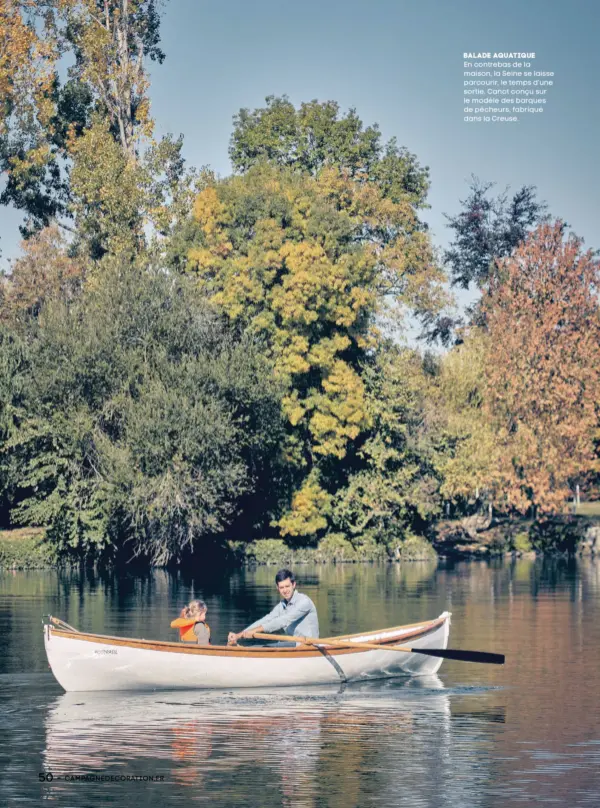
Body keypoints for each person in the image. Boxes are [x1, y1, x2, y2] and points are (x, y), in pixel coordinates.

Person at [227, 569, 318, 645]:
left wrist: (255, 631)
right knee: (264, 646)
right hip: (294, 643)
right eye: (282, 587)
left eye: (287, 586)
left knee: (264, 648)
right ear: (277, 588)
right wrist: (239, 635)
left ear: (294, 585)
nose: (285, 590)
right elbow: (267, 619)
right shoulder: (282, 605)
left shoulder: (304, 602)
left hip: (310, 645)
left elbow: (283, 621)